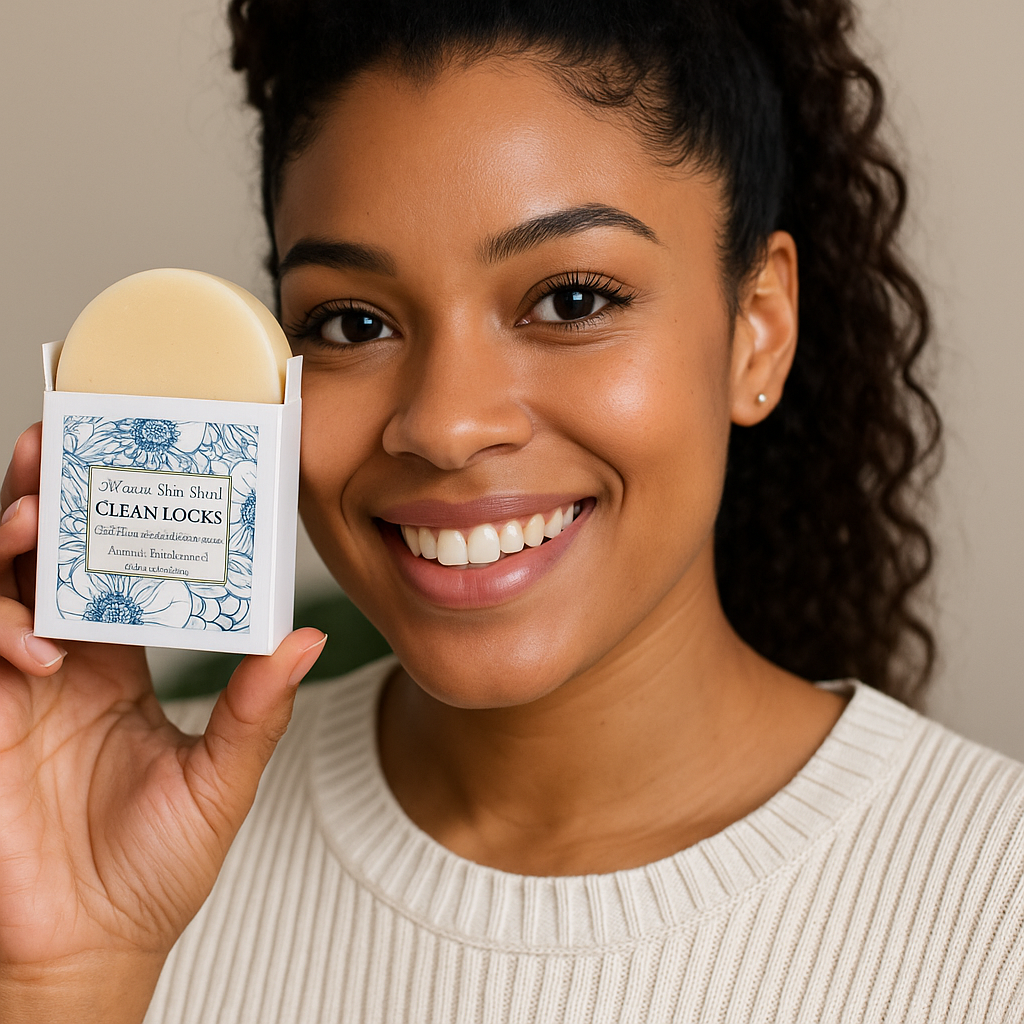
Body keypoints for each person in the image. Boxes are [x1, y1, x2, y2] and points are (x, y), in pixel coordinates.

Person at [2, 0, 1023, 1020]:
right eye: (351, 322)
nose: (445, 425)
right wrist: (68, 975)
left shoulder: (995, 912)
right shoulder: (108, 829)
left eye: (571, 300)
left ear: (755, 332)